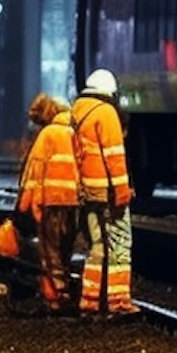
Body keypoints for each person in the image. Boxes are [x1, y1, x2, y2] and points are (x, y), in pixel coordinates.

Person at [72, 68, 136, 316]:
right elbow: (114, 158)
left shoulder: (76, 111)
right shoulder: (106, 113)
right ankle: (118, 301)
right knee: (120, 245)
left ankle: (89, 301)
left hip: (86, 192)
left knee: (96, 246)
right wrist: (122, 192)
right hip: (107, 193)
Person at [16, 92, 79, 313]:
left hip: (51, 202)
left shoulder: (48, 135)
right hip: (75, 203)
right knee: (66, 248)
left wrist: (24, 204)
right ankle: (67, 289)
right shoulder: (75, 132)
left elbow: (34, 171)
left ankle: (56, 296)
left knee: (50, 250)